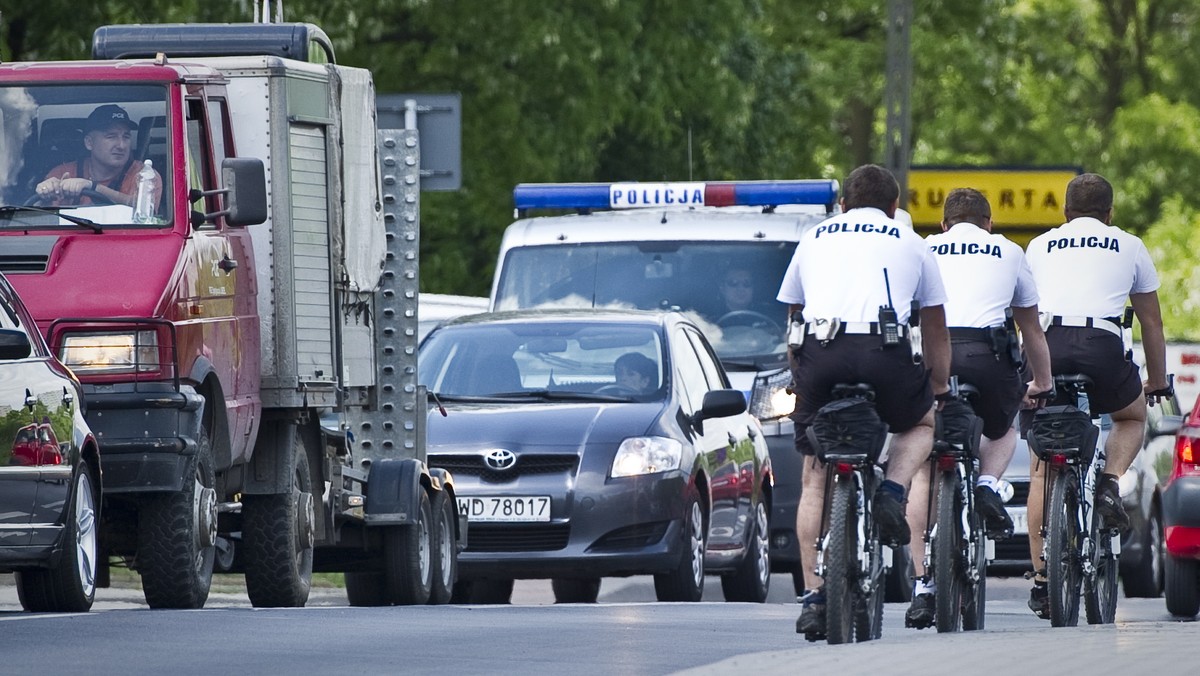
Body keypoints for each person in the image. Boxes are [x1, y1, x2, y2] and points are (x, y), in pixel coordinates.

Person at [776, 164, 952, 638]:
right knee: (921, 425)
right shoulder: (910, 241)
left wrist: (801, 375)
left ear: (842, 206)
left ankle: (814, 595)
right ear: (895, 207)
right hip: (885, 352)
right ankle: (892, 491)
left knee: (814, 475)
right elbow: (934, 326)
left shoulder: (814, 237)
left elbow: (793, 313)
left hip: (822, 354)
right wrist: (937, 388)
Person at [903, 187, 1055, 628]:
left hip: (934, 356)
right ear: (989, 223)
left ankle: (921, 586)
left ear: (944, 225)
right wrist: (1039, 384)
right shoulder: (1009, 251)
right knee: (1003, 425)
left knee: (924, 468)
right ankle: (987, 483)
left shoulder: (924, 248)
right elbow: (1031, 329)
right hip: (987, 357)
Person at [1022, 172, 1171, 620]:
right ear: (1109, 213)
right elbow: (1151, 323)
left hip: (1049, 345)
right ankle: (1108, 481)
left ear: (1065, 213)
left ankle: (1044, 581)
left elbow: (1023, 314)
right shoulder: (1129, 244)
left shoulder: (1039, 245)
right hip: (1103, 346)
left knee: (1041, 470)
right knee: (1131, 417)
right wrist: (1157, 381)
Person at [34, 104, 162, 209]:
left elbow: (145, 211)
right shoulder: (61, 173)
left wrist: (93, 187)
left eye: (126, 136)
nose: (121, 145)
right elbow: (37, 220)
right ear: (89, 143)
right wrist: (45, 194)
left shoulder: (145, 176)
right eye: (111, 137)